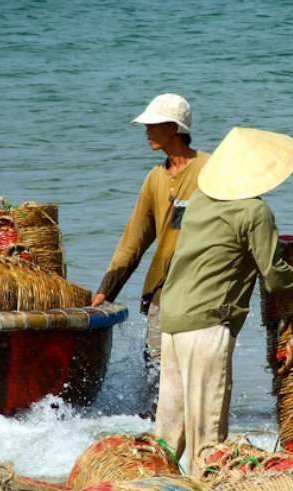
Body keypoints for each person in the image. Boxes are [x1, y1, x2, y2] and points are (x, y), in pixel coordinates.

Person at [154, 127, 293, 471]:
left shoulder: (200, 201)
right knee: (207, 440)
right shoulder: (255, 212)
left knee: (168, 433)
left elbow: (223, 247)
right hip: (207, 325)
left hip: (173, 319)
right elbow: (277, 278)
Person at [91, 93, 210, 415]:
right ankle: (158, 429)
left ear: (173, 128)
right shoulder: (155, 179)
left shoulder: (210, 170)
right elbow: (134, 240)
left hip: (203, 287)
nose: (146, 131)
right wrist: (106, 289)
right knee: (158, 366)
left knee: (198, 367)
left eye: (152, 125)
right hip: (164, 289)